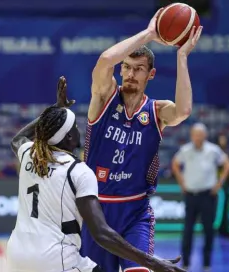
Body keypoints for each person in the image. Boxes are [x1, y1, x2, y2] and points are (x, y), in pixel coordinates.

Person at [6, 77, 185, 272]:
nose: (78, 130)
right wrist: (153, 262)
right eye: (74, 127)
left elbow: (18, 138)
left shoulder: (29, 154)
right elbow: (101, 234)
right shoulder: (78, 170)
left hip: (16, 255)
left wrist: (56, 110)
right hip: (55, 258)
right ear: (68, 138)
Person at [81, 8, 203, 272]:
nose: (130, 74)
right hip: (97, 211)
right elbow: (104, 61)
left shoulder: (157, 111)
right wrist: (149, 34)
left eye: (138, 69)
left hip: (136, 212)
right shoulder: (104, 98)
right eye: (126, 67)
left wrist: (182, 56)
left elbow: (183, 111)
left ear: (151, 75)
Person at [171, 123, 229, 271]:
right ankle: (185, 264)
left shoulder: (213, 150)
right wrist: (182, 183)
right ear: (191, 135)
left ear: (205, 135)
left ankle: (206, 265)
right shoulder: (185, 150)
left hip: (208, 196)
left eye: (200, 134)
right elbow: (175, 164)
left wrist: (219, 183)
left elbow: (228, 164)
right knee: (187, 230)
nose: (198, 137)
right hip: (191, 195)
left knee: (209, 231)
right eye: (195, 134)